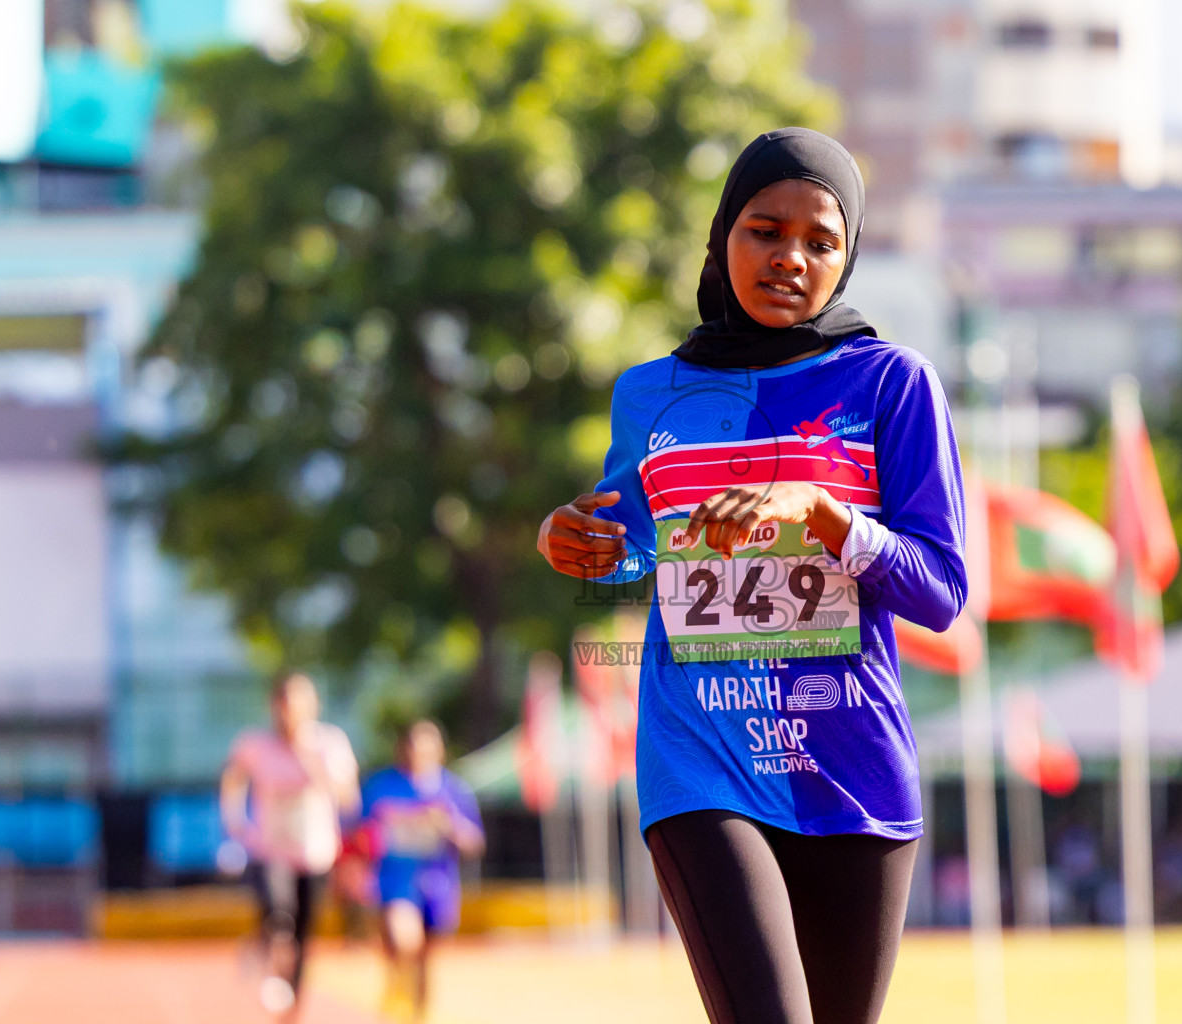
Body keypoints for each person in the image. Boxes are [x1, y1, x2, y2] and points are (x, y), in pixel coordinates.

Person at [538, 127, 967, 1024]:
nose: (790, 258)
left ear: (849, 257)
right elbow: (627, 541)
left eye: (822, 240)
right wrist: (567, 537)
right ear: (721, 235)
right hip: (702, 758)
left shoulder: (892, 383)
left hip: (852, 772)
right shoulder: (650, 393)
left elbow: (939, 589)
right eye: (764, 230)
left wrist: (825, 514)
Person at [221, 671, 360, 1019]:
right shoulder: (254, 745)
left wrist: (311, 760)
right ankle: (270, 961)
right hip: (271, 850)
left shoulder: (330, 743)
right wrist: (236, 822)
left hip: (315, 854)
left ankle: (292, 1007)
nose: (290, 712)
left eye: (298, 703)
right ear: (274, 706)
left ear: (313, 706)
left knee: (302, 937)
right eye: (284, 704)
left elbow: (348, 799)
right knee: (278, 915)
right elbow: (232, 777)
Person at [359, 719, 485, 1024]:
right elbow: (357, 834)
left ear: (439, 750)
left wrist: (449, 827)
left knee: (426, 960)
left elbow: (474, 842)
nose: (419, 752)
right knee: (405, 941)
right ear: (402, 748)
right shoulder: (380, 787)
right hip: (395, 881)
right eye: (413, 745)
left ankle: (416, 1014)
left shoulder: (454, 789)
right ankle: (396, 986)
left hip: (439, 884)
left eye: (427, 745)